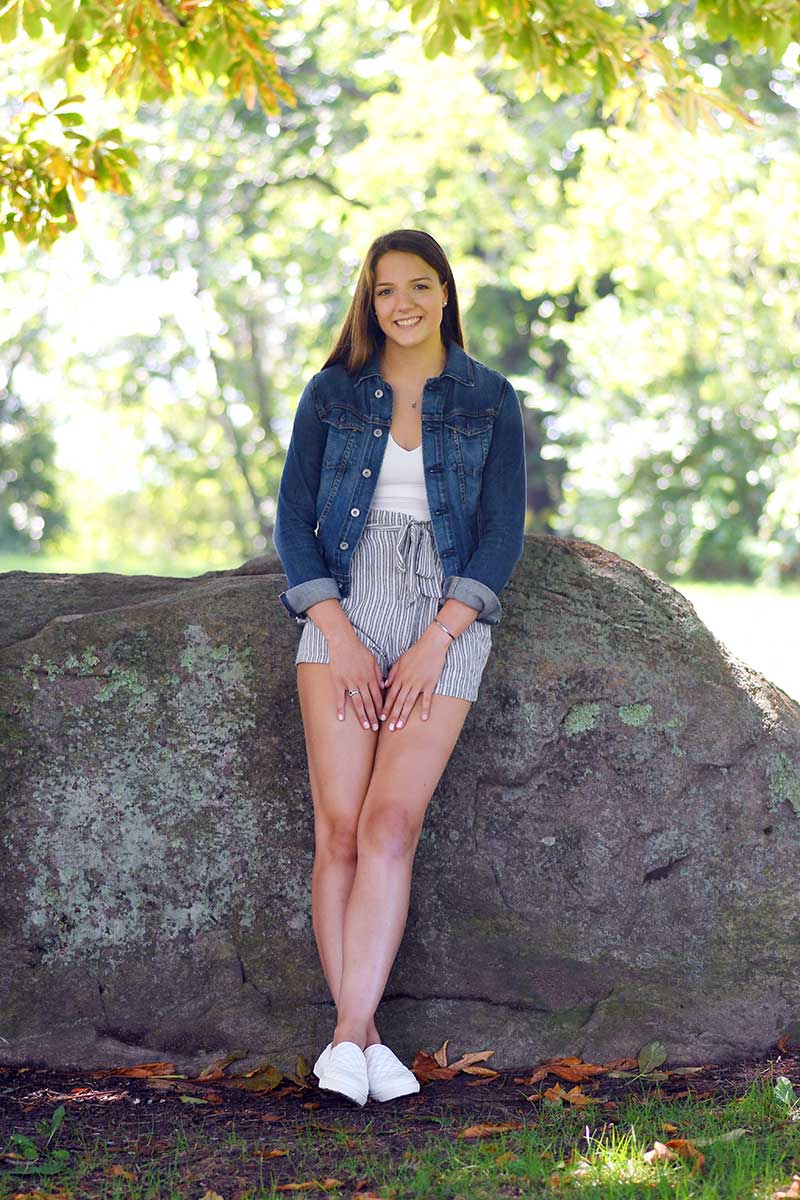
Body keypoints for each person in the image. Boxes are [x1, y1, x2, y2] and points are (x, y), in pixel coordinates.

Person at [272, 228, 527, 1106]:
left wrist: (439, 635)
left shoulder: (490, 399)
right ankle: (364, 1041)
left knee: (388, 827)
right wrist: (336, 630)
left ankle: (346, 1037)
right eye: (386, 291)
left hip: (444, 611)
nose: (404, 304)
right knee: (337, 828)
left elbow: (501, 536)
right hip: (343, 602)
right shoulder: (332, 393)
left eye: (420, 286)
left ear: (447, 293)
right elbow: (292, 522)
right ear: (369, 300)